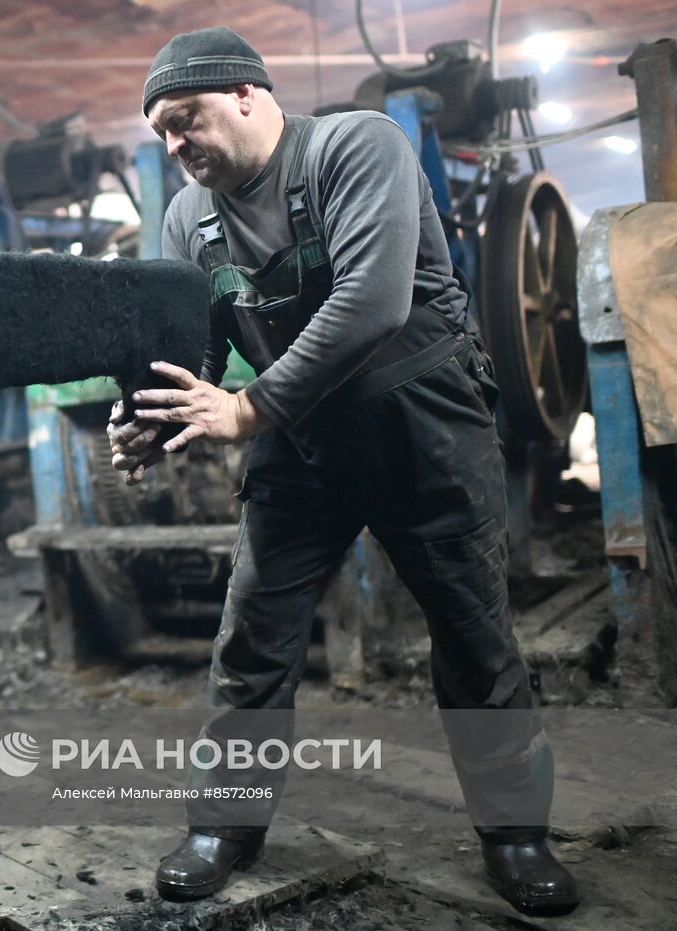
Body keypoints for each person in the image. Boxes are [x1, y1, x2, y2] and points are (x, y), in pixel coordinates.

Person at [107, 26, 580, 918]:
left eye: (185, 120)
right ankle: (226, 824)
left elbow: (371, 300)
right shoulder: (183, 219)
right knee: (253, 633)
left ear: (248, 93)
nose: (174, 146)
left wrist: (245, 410)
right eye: (161, 132)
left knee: (476, 640)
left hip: (423, 427)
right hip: (306, 441)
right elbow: (181, 355)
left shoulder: (356, 146)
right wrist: (140, 416)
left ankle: (516, 833)